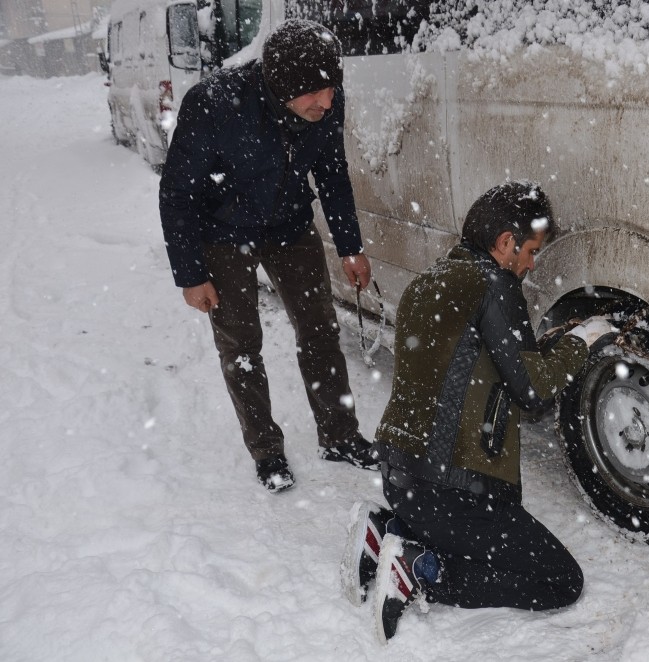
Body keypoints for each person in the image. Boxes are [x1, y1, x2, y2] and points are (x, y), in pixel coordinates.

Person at [340, 181, 596, 643]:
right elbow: (534, 393)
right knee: (561, 581)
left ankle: (385, 529)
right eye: (531, 251)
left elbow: (496, 365)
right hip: (452, 494)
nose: (532, 264)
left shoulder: (428, 282)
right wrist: (583, 342)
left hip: (402, 480)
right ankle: (421, 571)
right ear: (504, 243)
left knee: (475, 538)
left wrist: (549, 349)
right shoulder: (494, 284)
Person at [158, 19, 378, 493]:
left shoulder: (325, 104)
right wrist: (192, 274)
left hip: (290, 226)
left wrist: (350, 246)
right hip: (222, 233)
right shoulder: (214, 103)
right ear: (282, 89)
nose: (327, 102)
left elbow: (333, 174)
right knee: (241, 345)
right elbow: (176, 193)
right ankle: (266, 450)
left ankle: (339, 436)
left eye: (331, 89)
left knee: (320, 328)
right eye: (314, 94)